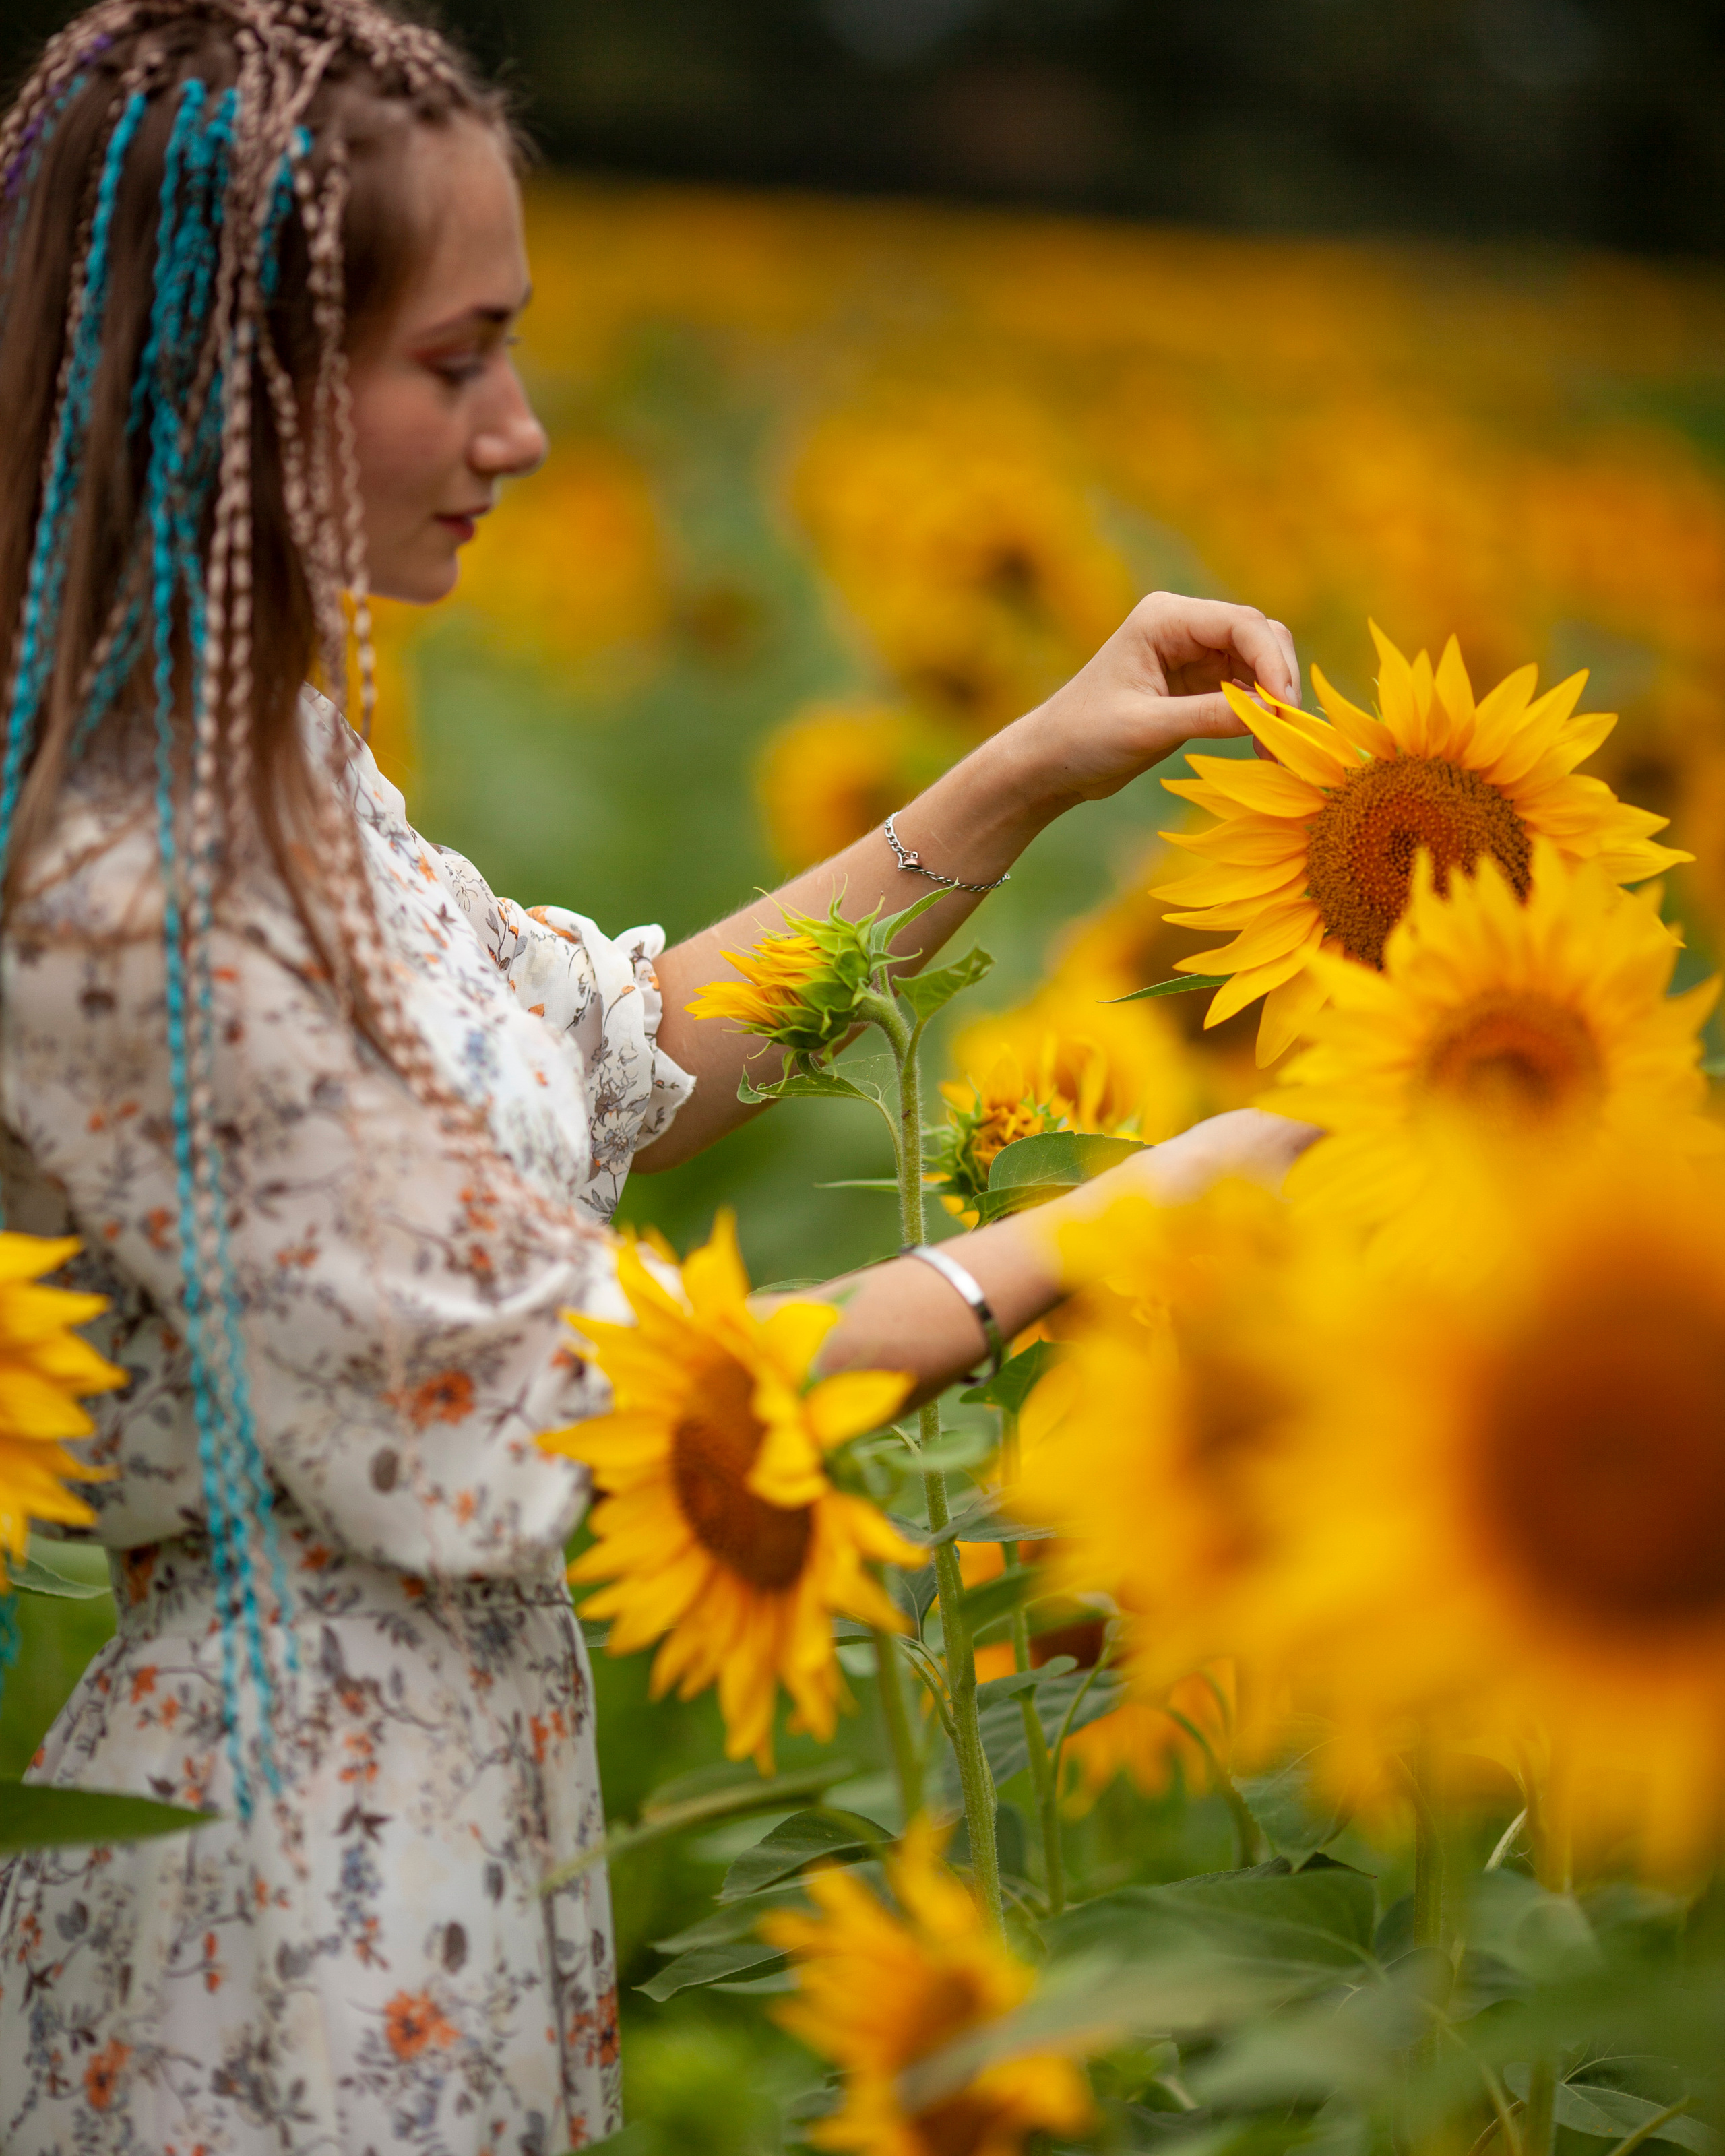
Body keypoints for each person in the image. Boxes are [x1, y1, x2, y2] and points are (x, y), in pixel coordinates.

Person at [0, 2, 1315, 2147]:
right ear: (236, 393)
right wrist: (1116, 1223)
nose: (520, 429)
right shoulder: (120, 891)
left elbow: (610, 1055)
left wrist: (1014, 781)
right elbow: (584, 1396)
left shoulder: (272, 771)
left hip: (444, 1830)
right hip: (290, 1924)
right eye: (456, 361)